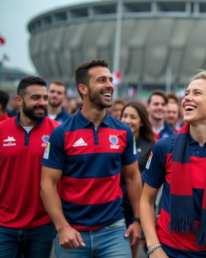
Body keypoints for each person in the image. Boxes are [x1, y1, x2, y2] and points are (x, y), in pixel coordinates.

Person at [40, 59, 142, 258]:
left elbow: (133, 178)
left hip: (114, 231)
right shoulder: (62, 133)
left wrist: (137, 219)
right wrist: (62, 227)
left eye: (110, 80)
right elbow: (47, 184)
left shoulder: (123, 131)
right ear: (83, 88)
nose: (110, 85)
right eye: (101, 80)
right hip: (73, 233)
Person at [140, 70, 206, 257]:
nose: (187, 98)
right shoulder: (164, 147)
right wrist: (154, 248)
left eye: (197, 93)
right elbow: (146, 200)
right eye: (187, 93)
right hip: (168, 252)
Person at [0, 77, 59, 257]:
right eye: (35, 98)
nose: (42, 103)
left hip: (42, 226)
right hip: (4, 226)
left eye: (45, 98)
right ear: (18, 100)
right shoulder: (1, 129)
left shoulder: (58, 132)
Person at [120, 101, 157, 258]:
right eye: (124, 116)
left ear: (142, 121)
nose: (127, 120)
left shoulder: (151, 146)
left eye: (133, 117)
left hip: (134, 210)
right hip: (113, 208)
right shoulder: (113, 140)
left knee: (129, 254)